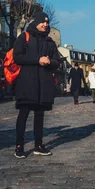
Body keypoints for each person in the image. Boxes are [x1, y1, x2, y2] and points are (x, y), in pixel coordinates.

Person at [13, 11, 61, 159]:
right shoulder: (24, 37)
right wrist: (37, 60)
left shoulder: (50, 42)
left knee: (39, 116)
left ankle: (38, 144)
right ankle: (19, 146)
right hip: (27, 83)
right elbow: (17, 57)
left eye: (47, 22)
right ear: (36, 22)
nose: (45, 24)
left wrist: (50, 62)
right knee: (24, 115)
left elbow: (57, 61)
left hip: (43, 84)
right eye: (43, 22)